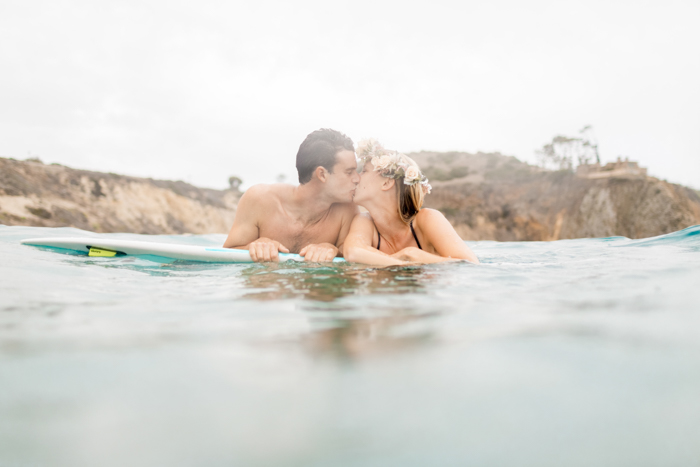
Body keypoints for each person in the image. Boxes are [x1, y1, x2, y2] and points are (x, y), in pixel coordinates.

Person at [223, 129, 360, 262]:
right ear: (322, 174)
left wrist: (332, 249)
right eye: (349, 172)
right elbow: (225, 257)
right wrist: (255, 246)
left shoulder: (347, 210)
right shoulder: (259, 199)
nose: (357, 179)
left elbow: (351, 261)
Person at [344, 138, 479, 266]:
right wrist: (404, 261)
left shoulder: (427, 219)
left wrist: (413, 255)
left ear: (386, 182)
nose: (356, 178)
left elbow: (469, 263)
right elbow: (353, 252)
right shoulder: (364, 221)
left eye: (364, 171)